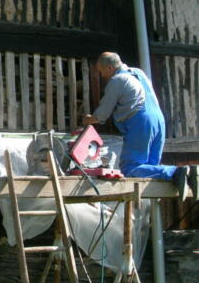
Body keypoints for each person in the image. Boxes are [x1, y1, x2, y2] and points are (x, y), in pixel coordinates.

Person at [82, 52, 197, 202]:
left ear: (110, 68)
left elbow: (102, 114)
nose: (102, 75)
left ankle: (177, 172)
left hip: (140, 122)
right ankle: (191, 174)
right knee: (150, 169)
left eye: (102, 71)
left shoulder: (117, 80)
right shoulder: (138, 73)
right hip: (158, 121)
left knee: (131, 169)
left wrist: (88, 119)